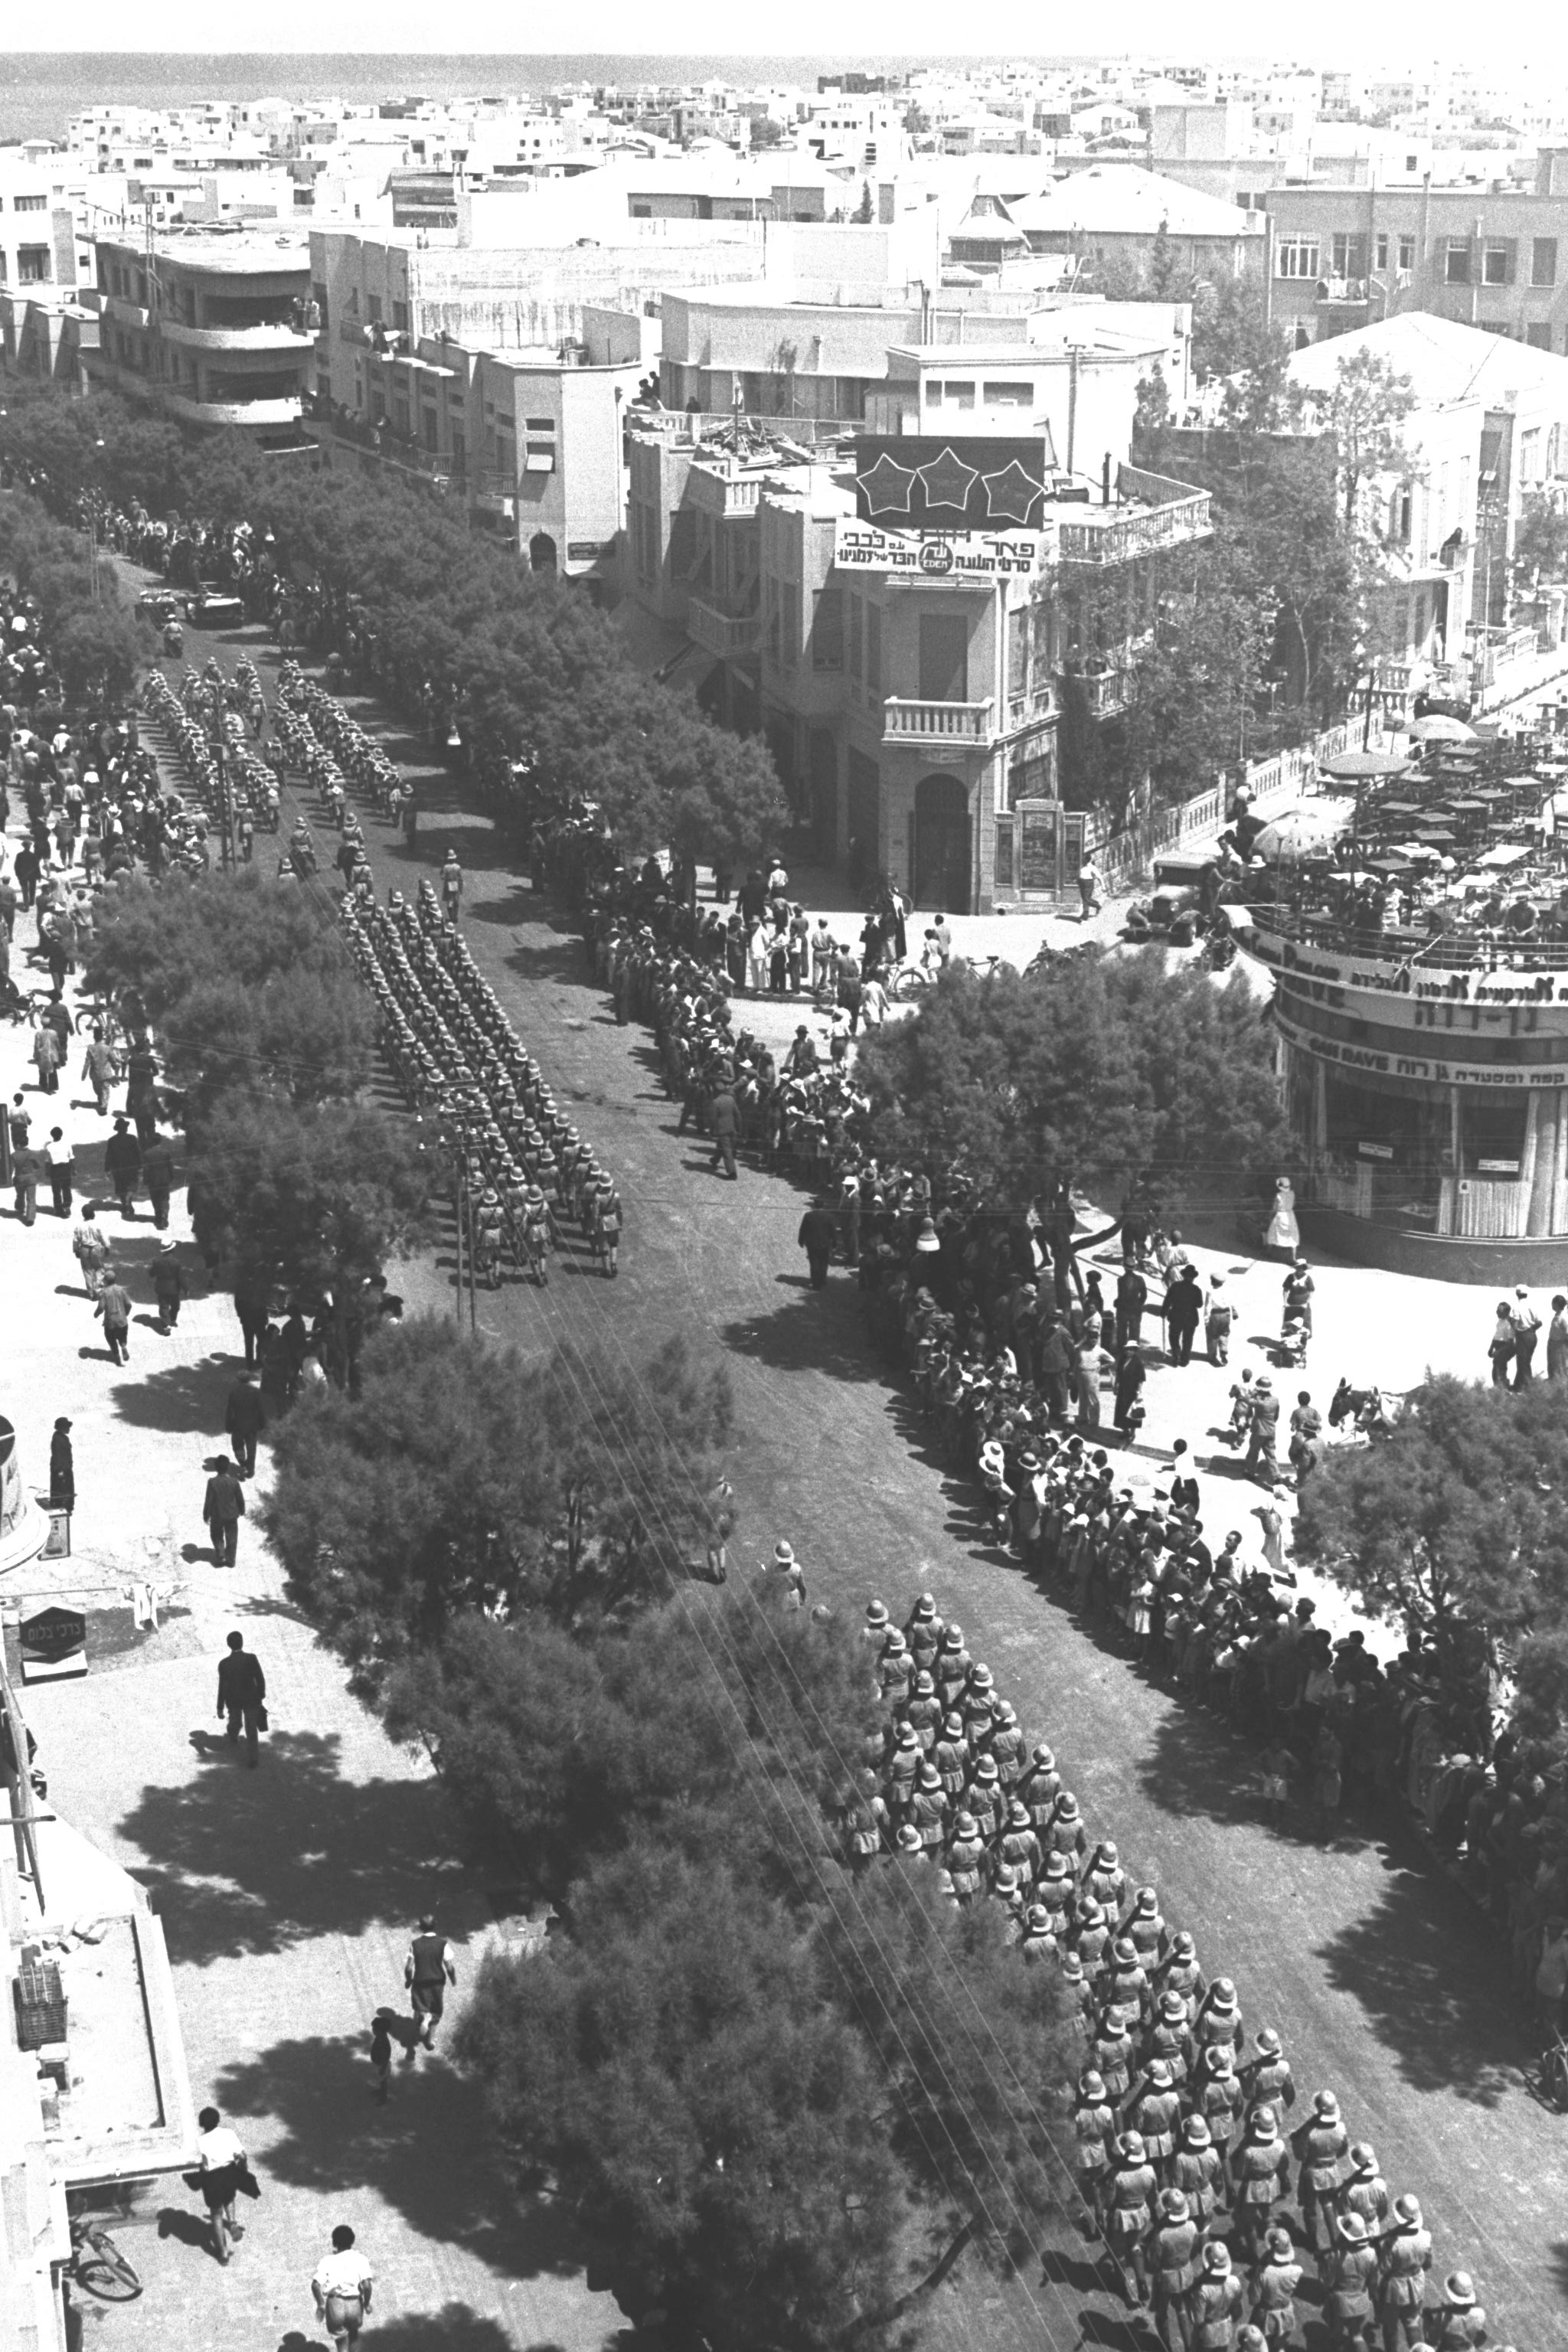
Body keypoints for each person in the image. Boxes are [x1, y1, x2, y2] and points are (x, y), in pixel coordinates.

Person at [195, 2104, 249, 2262]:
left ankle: (223, 2252)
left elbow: (202, 2165)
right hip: (229, 2173)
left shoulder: (200, 2142)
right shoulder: (228, 2134)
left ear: (202, 2124)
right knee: (229, 2198)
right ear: (218, 2120)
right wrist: (243, 2168)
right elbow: (242, 2155)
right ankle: (232, 2222)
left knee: (216, 2214)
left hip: (212, 2178)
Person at [313, 2226, 374, 2348]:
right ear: (352, 2241)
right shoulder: (361, 2259)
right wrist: (366, 2303)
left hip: (335, 2306)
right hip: (354, 2305)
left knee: (341, 2342)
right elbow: (367, 2286)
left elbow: (315, 2285)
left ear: (334, 2243)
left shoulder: (327, 2261)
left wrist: (321, 2304)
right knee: (354, 2336)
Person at [404, 1913, 457, 2053]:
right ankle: (430, 2041)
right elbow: (449, 1967)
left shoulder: (415, 1944)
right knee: (436, 2010)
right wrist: (453, 1979)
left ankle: (421, 2017)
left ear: (420, 1927)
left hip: (420, 1981)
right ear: (435, 1926)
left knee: (419, 2003)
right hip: (437, 1982)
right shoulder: (442, 1944)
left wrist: (409, 1980)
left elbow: (409, 1967)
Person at [217, 1630, 266, 1766]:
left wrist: (220, 1708)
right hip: (251, 1699)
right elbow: (260, 1678)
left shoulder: (224, 1664)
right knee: (251, 1730)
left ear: (228, 1645)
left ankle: (233, 1734)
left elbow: (223, 1687)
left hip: (234, 1701)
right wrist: (261, 1695)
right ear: (242, 1643)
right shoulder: (251, 1658)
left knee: (236, 1722)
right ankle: (253, 1759)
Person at [204, 1455, 247, 1566]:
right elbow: (239, 1498)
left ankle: (220, 1555)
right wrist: (242, 1510)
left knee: (217, 1535)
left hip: (217, 1514)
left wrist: (206, 1514)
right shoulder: (234, 1482)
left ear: (216, 1468)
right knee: (232, 1537)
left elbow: (209, 1500)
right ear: (228, 1468)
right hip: (231, 1515)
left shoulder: (212, 1482)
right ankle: (231, 1560)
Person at [225, 1373, 266, 1478]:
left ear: (238, 1380)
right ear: (249, 1380)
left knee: (237, 1445)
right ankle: (251, 1470)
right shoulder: (256, 1393)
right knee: (252, 1449)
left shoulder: (234, 1393)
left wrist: (228, 1426)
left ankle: (243, 1464)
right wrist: (262, 1424)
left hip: (238, 1425)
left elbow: (230, 1412)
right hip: (252, 1426)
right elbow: (261, 1410)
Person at [103, 1116, 142, 1218]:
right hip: (131, 1168)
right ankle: (128, 1202)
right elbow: (138, 1153)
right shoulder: (132, 1138)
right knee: (131, 1186)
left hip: (118, 1169)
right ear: (125, 1128)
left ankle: (125, 1203)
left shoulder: (112, 1140)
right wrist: (140, 1166)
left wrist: (107, 1169)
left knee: (121, 1186)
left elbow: (109, 1156)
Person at [72, 1202, 109, 1300]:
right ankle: (98, 1290)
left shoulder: (79, 1226)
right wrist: (107, 1247)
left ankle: (91, 1293)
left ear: (83, 1214)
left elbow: (76, 1240)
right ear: (93, 1214)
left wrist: (76, 1250)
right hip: (96, 1248)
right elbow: (103, 1237)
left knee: (87, 1271)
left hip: (84, 1248)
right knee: (99, 1269)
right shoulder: (97, 1225)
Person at [798, 1197, 838, 1289]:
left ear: (814, 1205)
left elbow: (803, 1229)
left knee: (814, 1263)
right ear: (823, 1205)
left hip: (812, 1244)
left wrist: (801, 1240)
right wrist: (835, 1243)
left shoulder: (808, 1216)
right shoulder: (829, 1216)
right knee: (824, 1262)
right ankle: (822, 1280)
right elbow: (833, 1231)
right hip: (825, 1244)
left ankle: (815, 1282)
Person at [95, 1267, 132, 1365]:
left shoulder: (104, 1292)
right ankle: (123, 1346)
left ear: (106, 1281)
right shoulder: (121, 1290)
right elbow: (128, 1304)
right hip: (122, 1321)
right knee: (122, 1335)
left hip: (110, 1322)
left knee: (110, 1337)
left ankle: (116, 1353)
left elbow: (101, 1307)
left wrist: (96, 1314)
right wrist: (126, 1314)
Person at [142, 1130, 175, 1230]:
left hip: (153, 1181)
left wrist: (145, 1180)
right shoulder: (166, 1153)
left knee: (155, 1199)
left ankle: (158, 1217)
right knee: (165, 1199)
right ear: (160, 1141)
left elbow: (146, 1169)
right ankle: (165, 1215)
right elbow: (170, 1166)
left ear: (152, 1142)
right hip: (165, 1180)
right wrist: (171, 1177)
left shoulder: (147, 1154)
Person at [708, 1081, 740, 1181]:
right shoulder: (731, 1099)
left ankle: (732, 1173)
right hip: (732, 1128)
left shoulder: (715, 1102)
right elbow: (738, 1114)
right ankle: (714, 1160)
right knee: (722, 1147)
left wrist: (712, 1131)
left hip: (722, 1130)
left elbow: (713, 1119)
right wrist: (739, 1128)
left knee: (726, 1151)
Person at [152, 1239, 187, 1332]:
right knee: (175, 1306)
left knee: (164, 1306)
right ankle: (172, 1319)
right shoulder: (176, 1262)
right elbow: (181, 1277)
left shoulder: (157, 1262)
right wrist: (185, 1288)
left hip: (161, 1287)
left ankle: (166, 1324)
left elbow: (152, 1273)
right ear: (172, 1250)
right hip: (174, 1288)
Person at [1511, 1285, 1542, 1388]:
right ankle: (1518, 1385)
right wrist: (1531, 1329)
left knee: (1522, 1363)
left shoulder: (1517, 1307)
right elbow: (1539, 1322)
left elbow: (1515, 1325)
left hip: (1522, 1336)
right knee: (1526, 1361)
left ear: (1517, 1294)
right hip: (1532, 1336)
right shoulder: (1532, 1306)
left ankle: (1528, 1387)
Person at [1265, 1178, 1300, 1256]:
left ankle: (1268, 1252)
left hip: (1280, 1215)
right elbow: (1294, 1204)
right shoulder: (1292, 1194)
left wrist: (1269, 1215)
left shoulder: (1279, 1195)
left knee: (1272, 1232)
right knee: (1292, 1234)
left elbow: (1274, 1208)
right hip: (1290, 1215)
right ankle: (1293, 1256)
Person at [44, 1126, 73, 1217]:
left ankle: (58, 1209)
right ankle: (67, 1206)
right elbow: (71, 1158)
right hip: (66, 1168)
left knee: (56, 1191)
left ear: (52, 1136)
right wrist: (73, 1169)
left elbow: (48, 1161)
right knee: (66, 1188)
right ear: (61, 1134)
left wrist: (47, 1171)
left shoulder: (49, 1147)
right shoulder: (67, 1144)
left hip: (55, 1169)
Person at [11, 1136, 40, 1226]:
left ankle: (20, 1208)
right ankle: (30, 1218)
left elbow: (11, 1168)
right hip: (30, 1178)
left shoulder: (14, 1155)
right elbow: (38, 1165)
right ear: (27, 1143)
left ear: (18, 1144)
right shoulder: (32, 1154)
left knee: (20, 1195)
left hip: (19, 1178)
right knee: (31, 1198)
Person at [48, 1418, 74, 1514]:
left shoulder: (61, 1437)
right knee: (62, 1489)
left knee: (64, 1489)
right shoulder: (59, 1439)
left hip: (64, 1468)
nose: (69, 1429)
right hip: (62, 1469)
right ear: (62, 1428)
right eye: (67, 1427)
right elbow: (58, 1456)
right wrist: (60, 1471)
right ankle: (64, 1508)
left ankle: (66, 1507)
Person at [1487, 1299, 1514, 1387]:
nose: (1497, 1312)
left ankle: (1503, 1389)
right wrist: (1491, 1348)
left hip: (1504, 1348)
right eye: (1497, 1309)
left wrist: (1499, 1352)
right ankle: (1497, 1388)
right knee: (1495, 1370)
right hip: (1498, 1346)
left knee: (1500, 1370)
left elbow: (1510, 1342)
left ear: (1506, 1312)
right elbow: (1496, 1336)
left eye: (1500, 1310)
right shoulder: (1500, 1322)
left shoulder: (1509, 1323)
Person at [369, 2012, 394, 2103]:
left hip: (382, 2065)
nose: (373, 2030)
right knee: (381, 2080)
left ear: (380, 2031)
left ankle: (383, 2098)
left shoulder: (382, 2042)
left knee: (383, 2081)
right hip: (380, 2063)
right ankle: (381, 2091)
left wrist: (383, 2068)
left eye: (374, 2029)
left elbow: (385, 2056)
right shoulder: (380, 2037)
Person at [1550, 1295, 1568, 1382]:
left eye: (1553, 1303)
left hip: (1560, 1347)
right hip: (1553, 1345)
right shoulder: (1557, 1315)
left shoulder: (1563, 1317)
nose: (1552, 1305)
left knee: (1561, 1367)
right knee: (1554, 1367)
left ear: (1557, 1304)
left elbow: (1567, 1333)